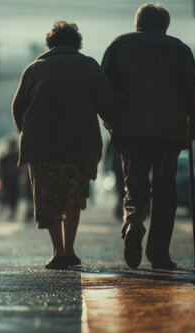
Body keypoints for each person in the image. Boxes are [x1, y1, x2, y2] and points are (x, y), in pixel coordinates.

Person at [102, 3, 195, 270]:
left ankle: (134, 222)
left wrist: (112, 122)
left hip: (131, 129)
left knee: (135, 186)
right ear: (165, 25)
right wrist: (193, 129)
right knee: (165, 191)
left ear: (139, 23)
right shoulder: (180, 49)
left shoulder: (118, 46)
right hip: (169, 132)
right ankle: (159, 254)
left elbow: (104, 89)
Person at [12, 21, 114, 269]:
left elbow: (18, 107)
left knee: (48, 200)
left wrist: (26, 132)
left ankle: (57, 251)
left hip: (41, 147)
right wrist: (113, 126)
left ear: (51, 43)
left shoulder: (34, 69)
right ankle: (69, 249)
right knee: (72, 198)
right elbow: (106, 104)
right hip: (77, 146)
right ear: (76, 43)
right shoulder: (89, 66)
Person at [0, 139, 20, 220]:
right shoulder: (5, 157)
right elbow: (0, 167)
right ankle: (8, 209)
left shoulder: (17, 156)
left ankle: (12, 211)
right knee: (8, 195)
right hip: (7, 180)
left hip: (14, 179)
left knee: (13, 196)